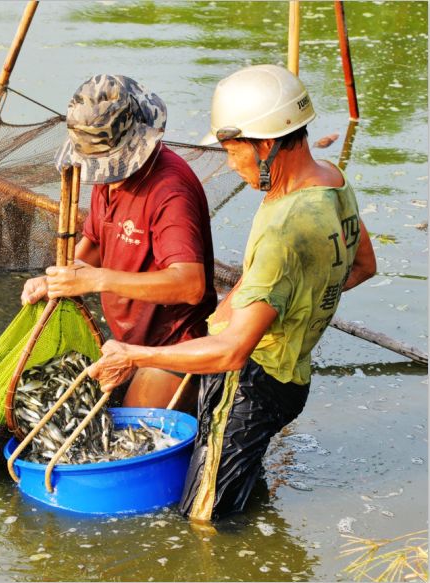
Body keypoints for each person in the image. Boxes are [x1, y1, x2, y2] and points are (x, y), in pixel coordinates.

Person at [88, 64, 377, 521]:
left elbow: (232, 352)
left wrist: (134, 355)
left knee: (204, 520)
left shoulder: (282, 228)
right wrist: (287, 306)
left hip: (249, 388)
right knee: (241, 486)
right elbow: (362, 265)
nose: (229, 163)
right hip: (292, 377)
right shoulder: (332, 181)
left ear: (265, 144)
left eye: (231, 149)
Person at [21, 74, 216, 410]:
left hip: (172, 347)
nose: (106, 176)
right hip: (125, 341)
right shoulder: (109, 178)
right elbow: (96, 245)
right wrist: (56, 279)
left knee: (128, 432)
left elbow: (191, 285)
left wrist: (97, 280)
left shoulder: (170, 191)